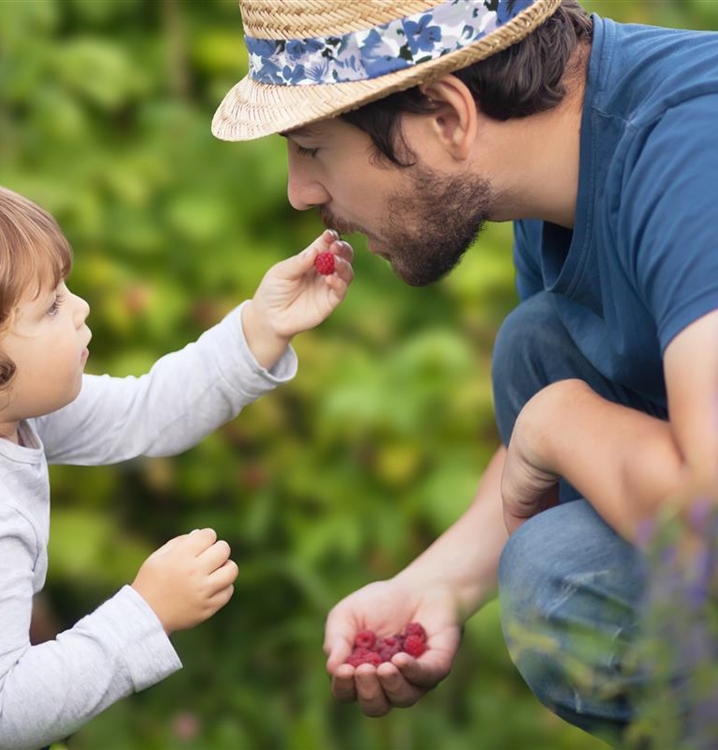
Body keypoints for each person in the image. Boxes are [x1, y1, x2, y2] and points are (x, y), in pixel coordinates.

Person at [210, 0, 718, 745]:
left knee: (555, 576)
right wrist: (437, 583)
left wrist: (555, 419)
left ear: (448, 116)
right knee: (538, 347)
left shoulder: (690, 152)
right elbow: (550, 438)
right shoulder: (551, 180)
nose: (301, 193)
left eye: (311, 147)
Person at [0, 185, 353, 749]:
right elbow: (8, 712)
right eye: (51, 306)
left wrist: (261, 327)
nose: (82, 306)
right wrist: (146, 612)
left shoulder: (20, 414)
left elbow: (146, 411)